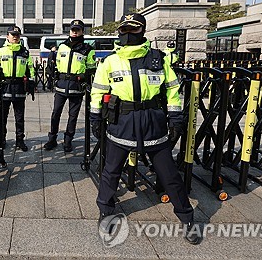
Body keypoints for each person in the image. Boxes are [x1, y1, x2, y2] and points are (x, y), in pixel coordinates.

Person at [90, 13, 200, 244]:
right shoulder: (109, 61)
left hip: (153, 121)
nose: (129, 34)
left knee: (169, 175)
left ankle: (187, 218)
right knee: (111, 172)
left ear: (143, 31)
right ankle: (106, 211)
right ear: (120, 32)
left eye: (134, 30)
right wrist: (95, 118)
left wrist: (175, 119)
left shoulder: (159, 59)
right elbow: (98, 92)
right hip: (122, 121)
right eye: (125, 30)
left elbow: (172, 90)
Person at [44, 19, 96, 152]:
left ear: (82, 32)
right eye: (73, 29)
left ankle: (68, 141)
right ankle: (52, 139)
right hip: (61, 86)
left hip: (76, 87)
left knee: (73, 116)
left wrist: (85, 79)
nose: (74, 32)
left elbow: (91, 69)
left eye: (77, 30)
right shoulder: (62, 46)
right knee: (56, 113)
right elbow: (55, 65)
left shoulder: (88, 50)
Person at [0, 25, 35, 151]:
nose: (15, 37)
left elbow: (30, 69)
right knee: (2, 117)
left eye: (17, 35)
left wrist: (31, 82)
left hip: (19, 87)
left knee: (19, 118)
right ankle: (2, 140)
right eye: (12, 34)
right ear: (7, 36)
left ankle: (20, 141)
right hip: (4, 87)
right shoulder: (0, 52)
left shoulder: (25, 52)